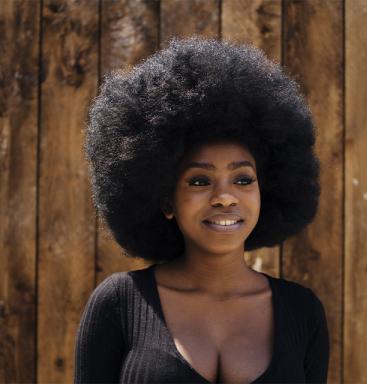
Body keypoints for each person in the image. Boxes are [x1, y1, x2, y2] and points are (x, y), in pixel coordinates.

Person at [74, 36, 330, 383]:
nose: (225, 197)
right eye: (199, 181)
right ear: (167, 201)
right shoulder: (119, 303)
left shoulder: (303, 312)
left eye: (243, 179)